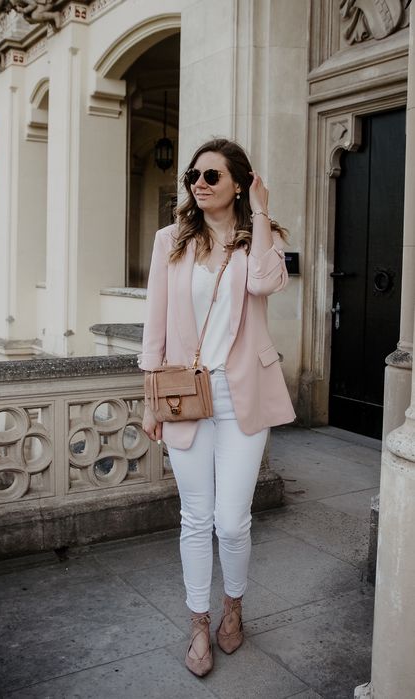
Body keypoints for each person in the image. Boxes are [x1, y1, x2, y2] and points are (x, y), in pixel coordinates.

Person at [139, 138, 295, 677]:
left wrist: (263, 212)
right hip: (185, 395)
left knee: (232, 521)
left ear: (238, 183)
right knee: (195, 518)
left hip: (241, 394)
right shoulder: (170, 243)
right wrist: (150, 401)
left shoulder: (257, 243)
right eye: (193, 177)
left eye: (211, 176)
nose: (199, 185)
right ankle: (199, 623)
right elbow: (154, 326)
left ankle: (234, 605)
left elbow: (265, 282)